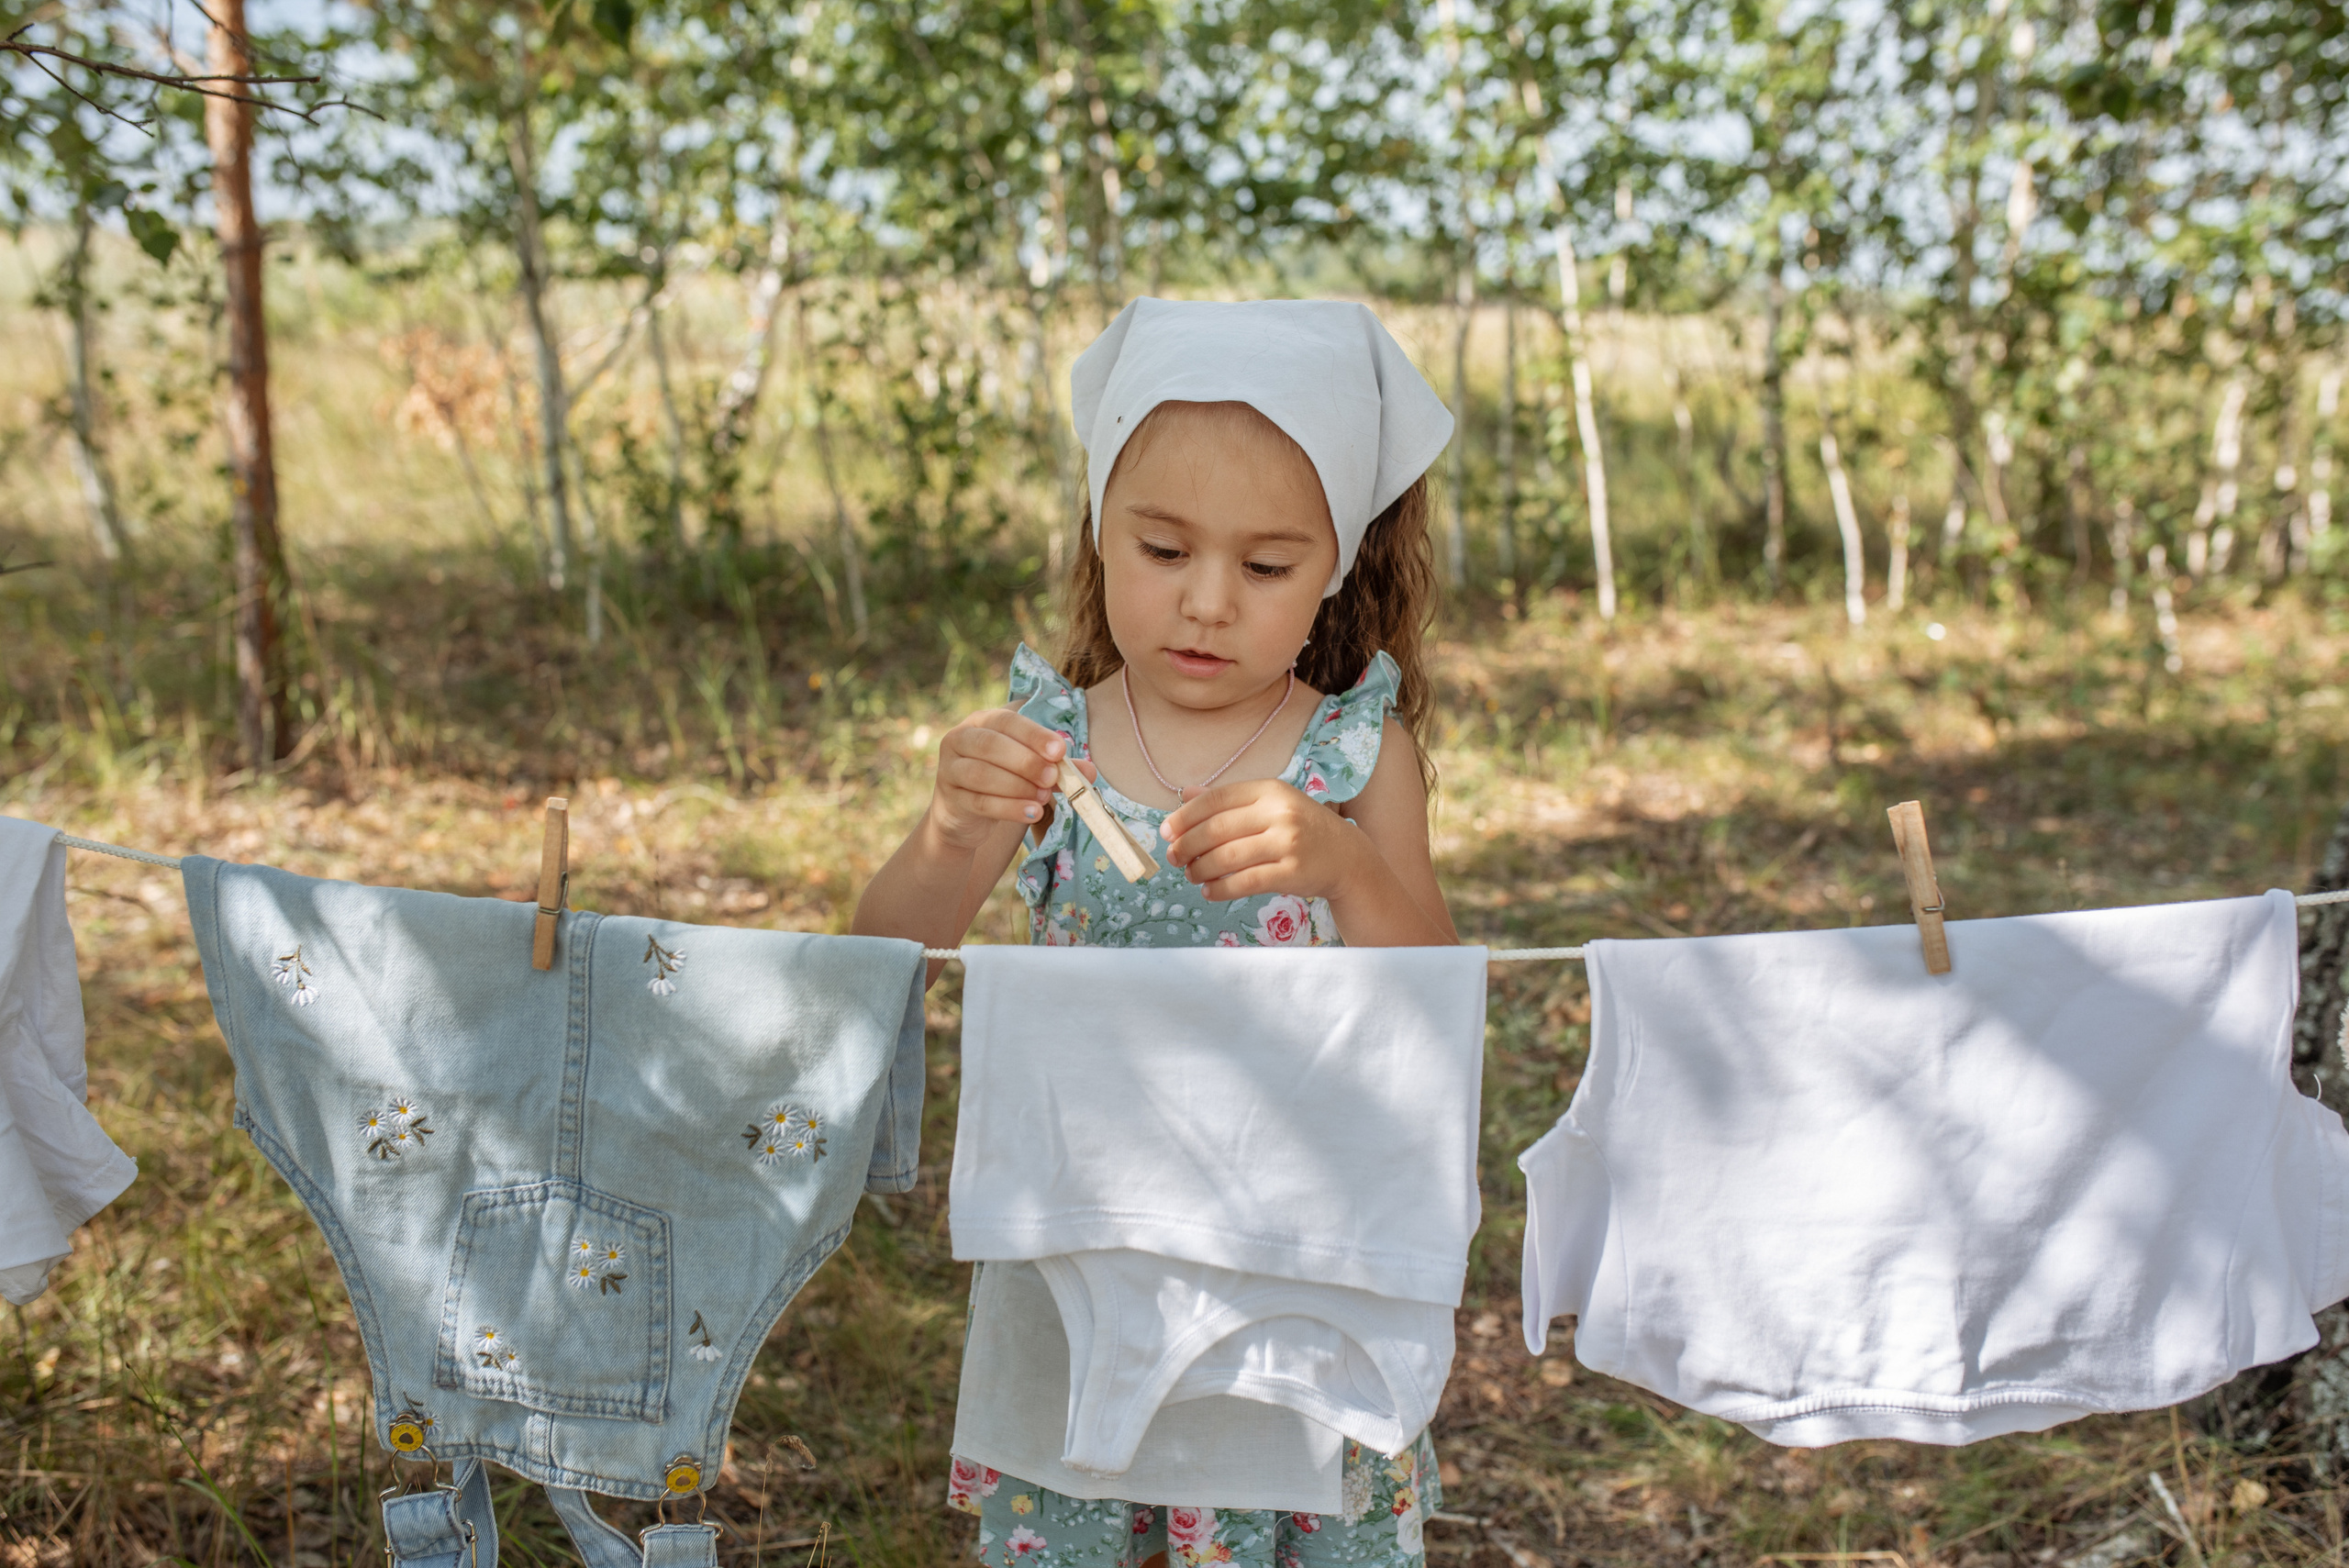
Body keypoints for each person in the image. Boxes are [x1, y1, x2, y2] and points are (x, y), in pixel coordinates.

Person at [853, 296, 1459, 1568]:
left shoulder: (1355, 753)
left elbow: (1433, 999)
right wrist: (951, 832)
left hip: (1293, 1257)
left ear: (1337, 563)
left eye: (1264, 566)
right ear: (1099, 533)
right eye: (1165, 549)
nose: (1206, 603)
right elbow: (884, 957)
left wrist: (1343, 865)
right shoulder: (1051, 746)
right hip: (1091, 1249)